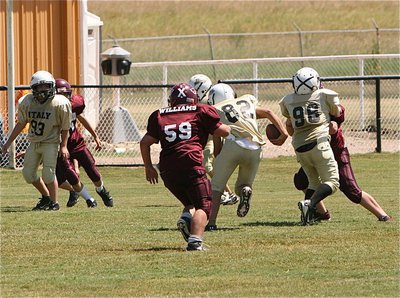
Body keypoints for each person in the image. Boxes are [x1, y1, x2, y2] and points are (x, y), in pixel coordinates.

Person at [140, 82, 231, 251]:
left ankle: (186, 218)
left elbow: (145, 142)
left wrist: (148, 167)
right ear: (193, 99)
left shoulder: (159, 114)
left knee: (191, 202)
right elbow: (223, 131)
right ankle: (195, 242)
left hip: (167, 169)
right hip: (190, 163)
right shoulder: (200, 110)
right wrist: (231, 127)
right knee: (204, 204)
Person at [206, 83, 288, 230]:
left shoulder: (214, 110)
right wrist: (284, 133)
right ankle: (245, 191)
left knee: (217, 187)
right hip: (256, 146)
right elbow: (269, 112)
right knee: (243, 185)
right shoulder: (247, 100)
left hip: (233, 144)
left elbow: (217, 145)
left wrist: (219, 160)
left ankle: (211, 223)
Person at [290, 105, 392, 222]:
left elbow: (333, 127)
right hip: (317, 154)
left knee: (352, 191)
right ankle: (322, 213)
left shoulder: (328, 103)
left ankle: (383, 215)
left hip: (336, 154)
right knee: (301, 181)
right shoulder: (304, 103)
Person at [1, 70, 71, 211]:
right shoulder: (27, 102)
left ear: (52, 86)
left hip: (50, 142)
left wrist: (64, 146)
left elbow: (65, 128)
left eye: (46, 86)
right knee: (28, 174)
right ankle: (46, 197)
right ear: (33, 88)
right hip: (34, 141)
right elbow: (21, 124)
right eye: (39, 87)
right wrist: (8, 143)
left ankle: (54, 202)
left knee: (48, 173)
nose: (43, 90)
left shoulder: (59, 103)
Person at [279, 67, 342, 225]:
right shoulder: (324, 94)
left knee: (313, 183)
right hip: (319, 143)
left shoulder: (287, 100)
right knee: (333, 182)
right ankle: (310, 204)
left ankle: (306, 217)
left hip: (300, 147)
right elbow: (338, 112)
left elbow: (289, 119)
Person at [54, 78, 113, 207]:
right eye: (60, 95)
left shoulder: (75, 104)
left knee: (94, 172)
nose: (64, 98)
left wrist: (95, 136)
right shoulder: (49, 109)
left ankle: (101, 190)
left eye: (66, 94)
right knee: (71, 176)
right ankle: (89, 200)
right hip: (58, 147)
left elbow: (81, 117)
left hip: (76, 143)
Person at [188, 74, 239, 206]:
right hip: (203, 135)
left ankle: (227, 193)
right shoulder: (203, 99)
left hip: (212, 134)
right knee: (202, 165)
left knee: (206, 164)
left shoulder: (213, 98)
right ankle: (224, 192)